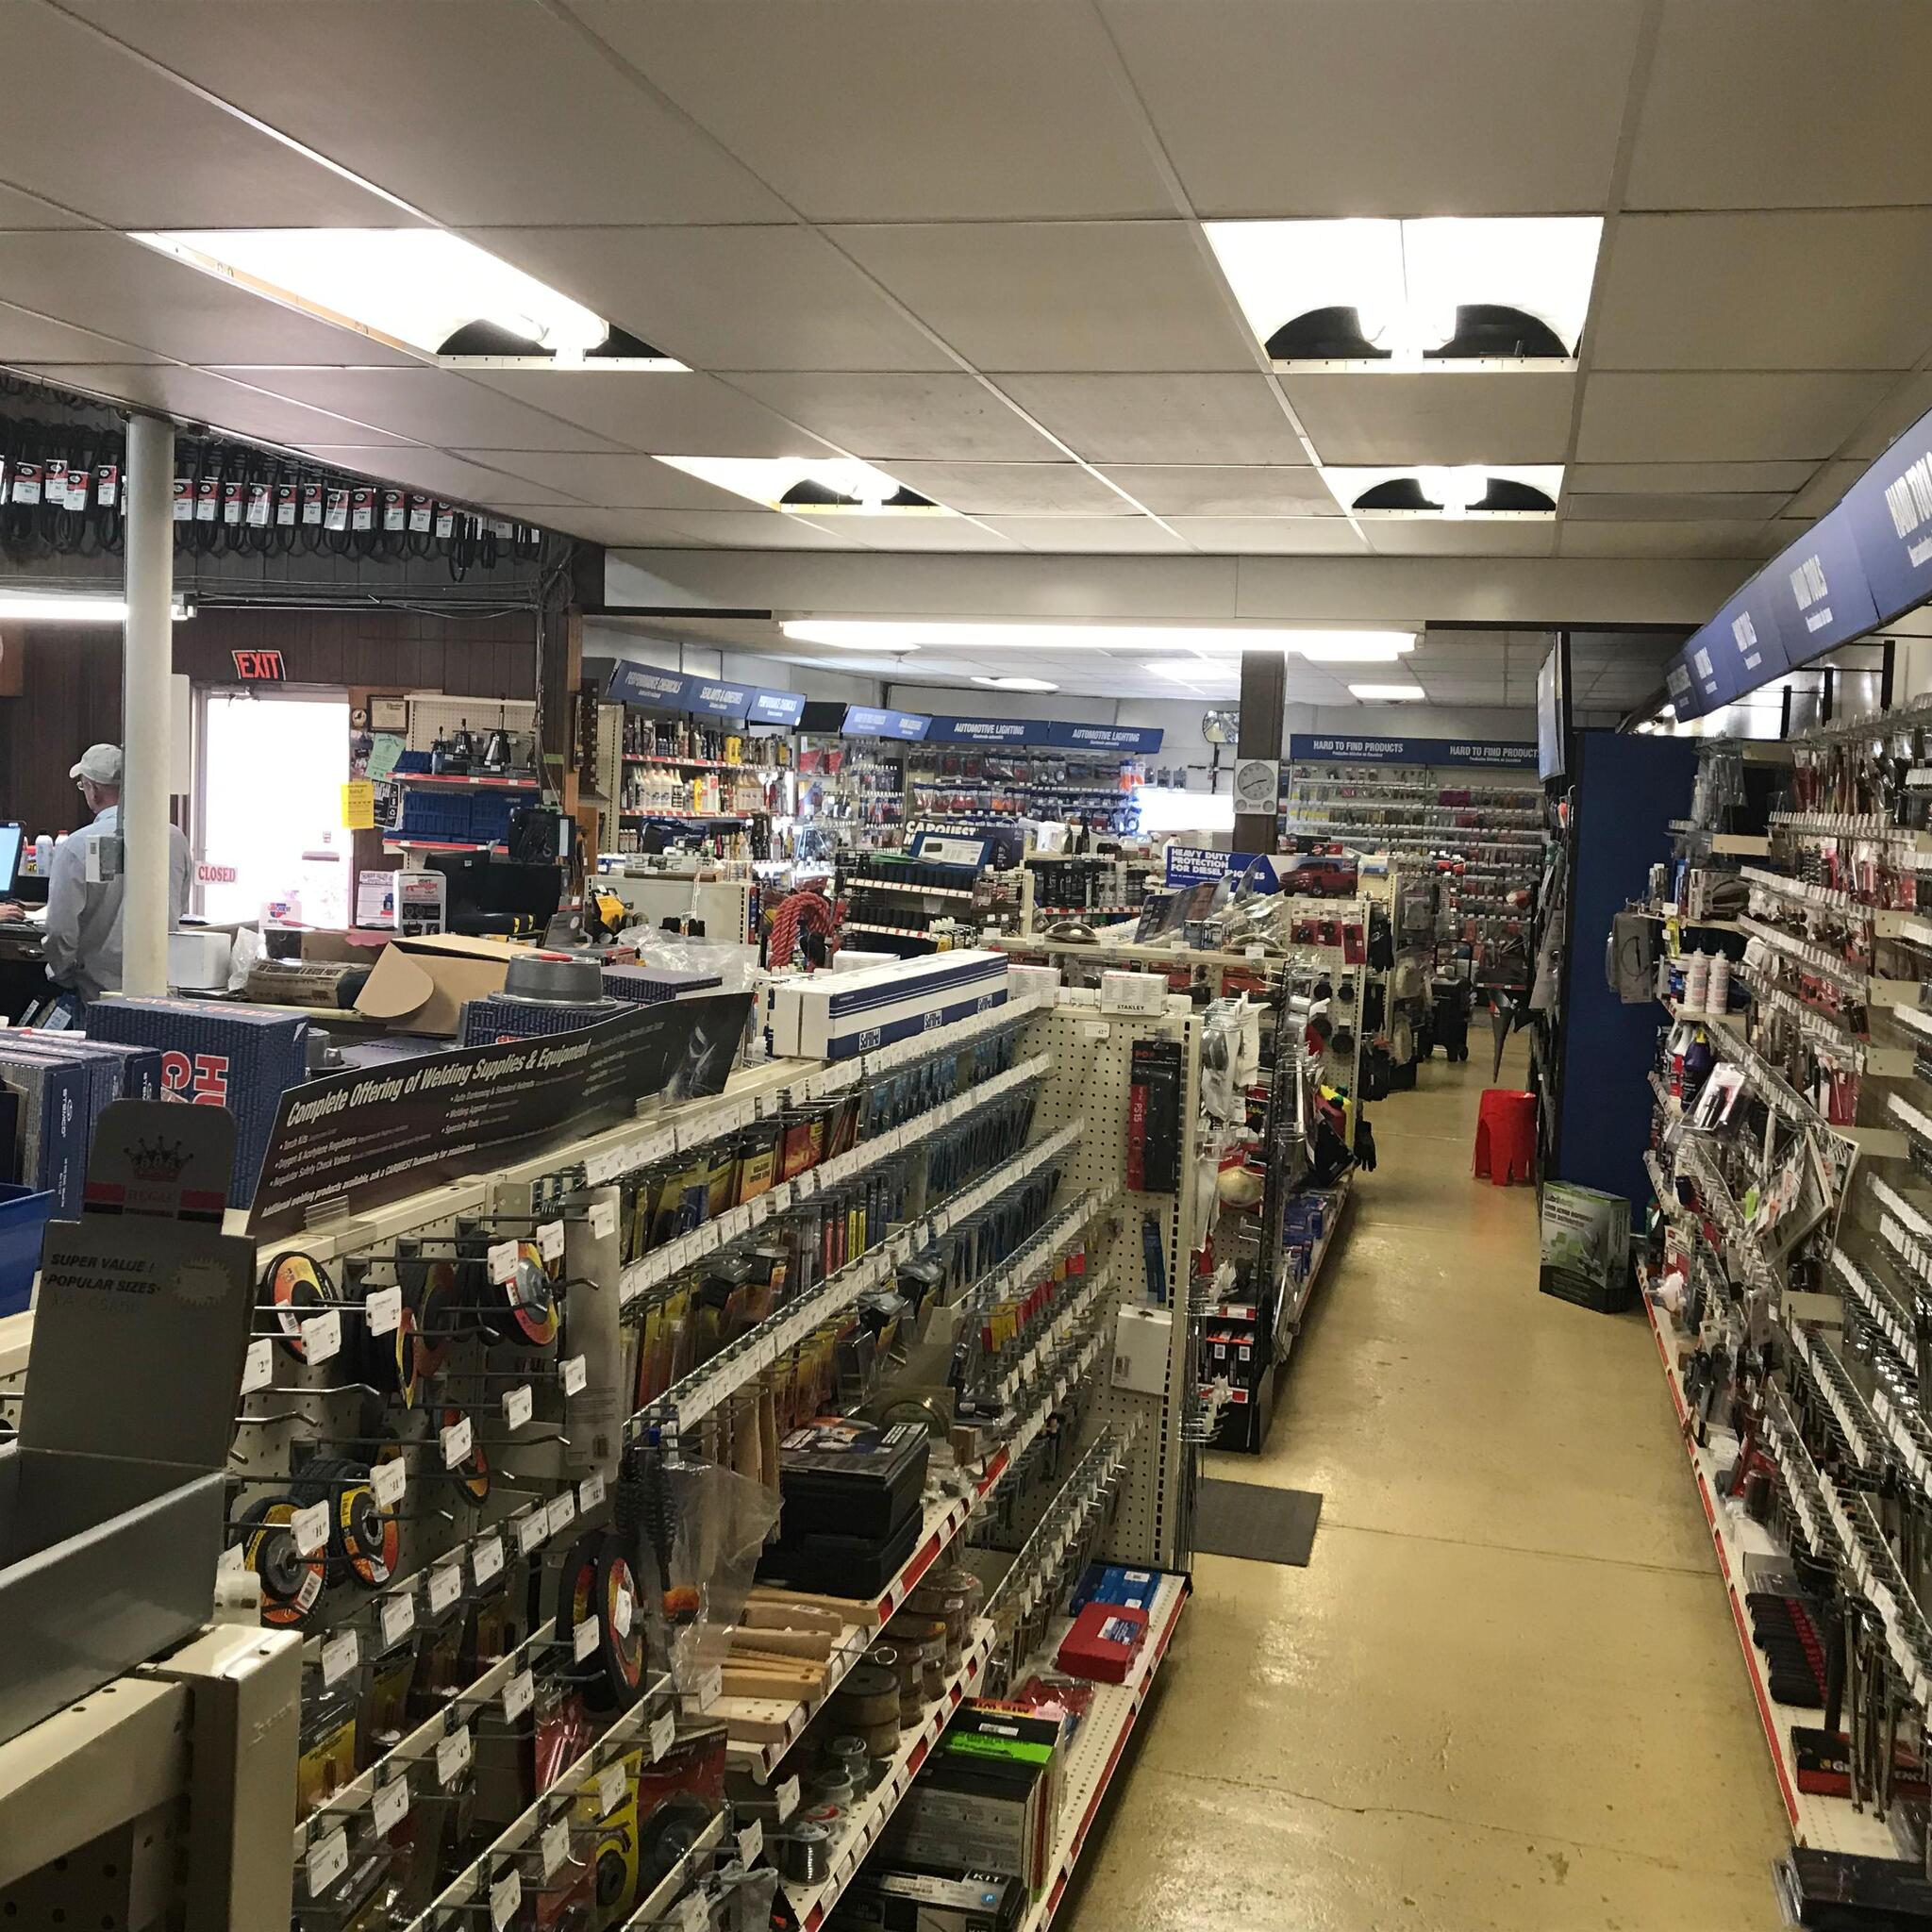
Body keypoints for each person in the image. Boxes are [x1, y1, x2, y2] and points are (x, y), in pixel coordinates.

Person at [39, 744, 192, 1008]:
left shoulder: (76, 845)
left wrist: (63, 973)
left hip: (96, 992)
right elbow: (180, 905)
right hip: (162, 989)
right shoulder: (175, 838)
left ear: (93, 789)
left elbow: (60, 930)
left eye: (83, 786)